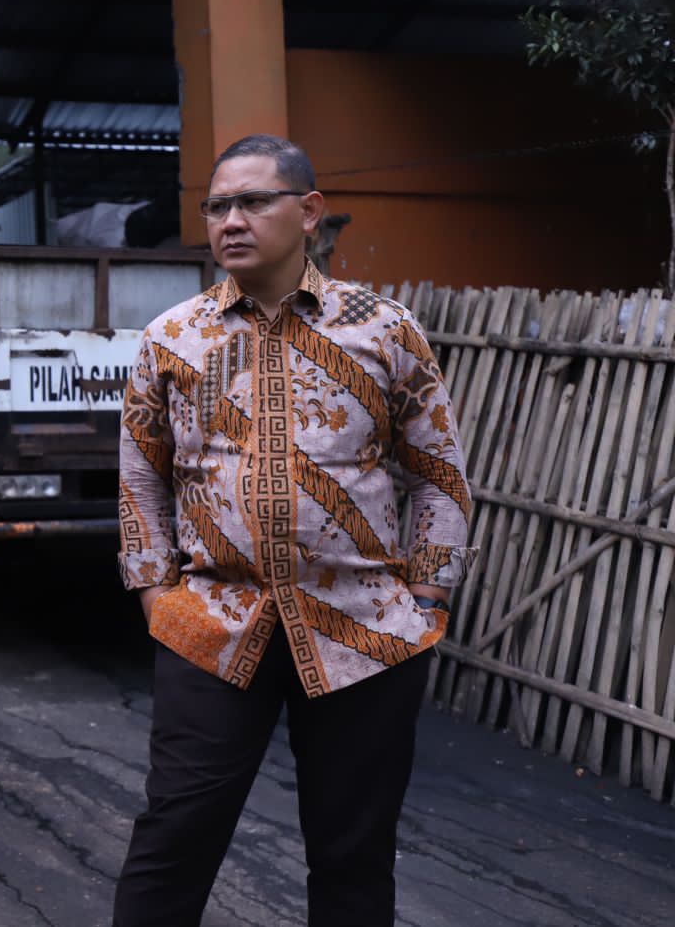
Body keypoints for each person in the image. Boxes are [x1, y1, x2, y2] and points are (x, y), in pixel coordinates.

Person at [111, 134, 474, 927]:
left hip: (364, 631)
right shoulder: (173, 337)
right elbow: (141, 473)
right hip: (212, 623)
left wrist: (429, 596)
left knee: (352, 855)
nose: (230, 221)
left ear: (308, 213)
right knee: (175, 836)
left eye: (252, 201)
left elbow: (439, 474)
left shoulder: (385, 331)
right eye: (217, 206)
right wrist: (153, 590)